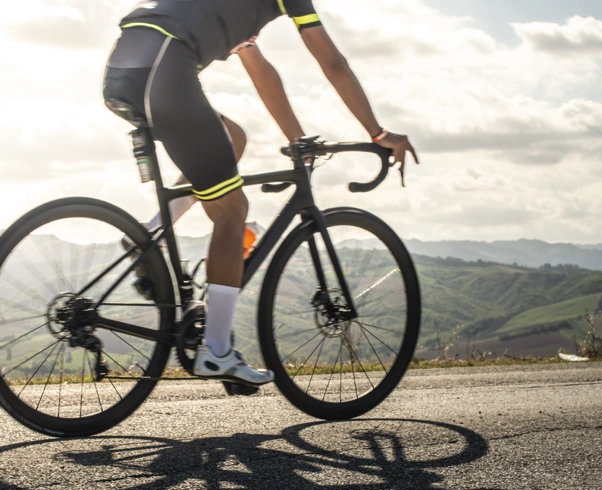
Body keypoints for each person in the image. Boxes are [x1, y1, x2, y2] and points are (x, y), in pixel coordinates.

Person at [102, 0, 418, 388]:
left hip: (123, 69)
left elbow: (262, 74)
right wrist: (376, 131)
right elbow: (331, 62)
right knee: (232, 212)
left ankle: (150, 233)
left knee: (233, 138)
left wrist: (296, 139)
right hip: (164, 68)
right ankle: (216, 352)